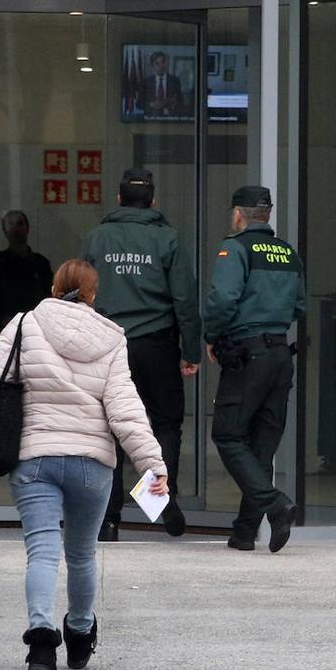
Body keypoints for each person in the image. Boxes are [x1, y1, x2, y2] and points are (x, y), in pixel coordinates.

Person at [0, 259, 168, 670]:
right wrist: (152, 463)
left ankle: (41, 641)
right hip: (91, 465)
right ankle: (80, 633)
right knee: (81, 554)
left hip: (35, 457)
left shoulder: (25, 324)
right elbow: (125, 410)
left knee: (42, 551)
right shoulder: (112, 339)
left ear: (53, 286)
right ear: (93, 295)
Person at [82, 168, 200, 541]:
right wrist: (191, 350)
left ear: (118, 200)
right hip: (157, 345)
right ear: (153, 201)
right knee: (164, 425)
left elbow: (82, 294)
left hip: (108, 347)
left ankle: (108, 519)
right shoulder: (168, 240)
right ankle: (160, 501)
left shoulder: (97, 238)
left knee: (110, 429)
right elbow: (185, 298)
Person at [204, 186, 305, 554]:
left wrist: (212, 336)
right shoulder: (288, 253)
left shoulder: (236, 248)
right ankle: (245, 532)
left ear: (238, 215)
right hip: (280, 354)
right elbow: (299, 306)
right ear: (267, 214)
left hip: (248, 356)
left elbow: (223, 299)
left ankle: (277, 505)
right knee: (261, 447)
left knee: (229, 436)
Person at [0, 210, 54, 342]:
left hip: (35, 331)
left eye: (20, 224)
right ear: (5, 231)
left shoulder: (41, 264)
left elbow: (50, 297)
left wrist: (38, 319)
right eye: (11, 224)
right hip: (2, 331)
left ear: (27, 228)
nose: (16, 229)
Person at [141, 51, 183, 116]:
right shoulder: (146, 82)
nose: (161, 66)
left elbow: (181, 101)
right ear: (152, 66)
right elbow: (139, 103)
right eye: (157, 63)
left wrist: (173, 103)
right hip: (151, 119)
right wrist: (151, 104)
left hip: (171, 119)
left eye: (163, 62)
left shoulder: (175, 81)